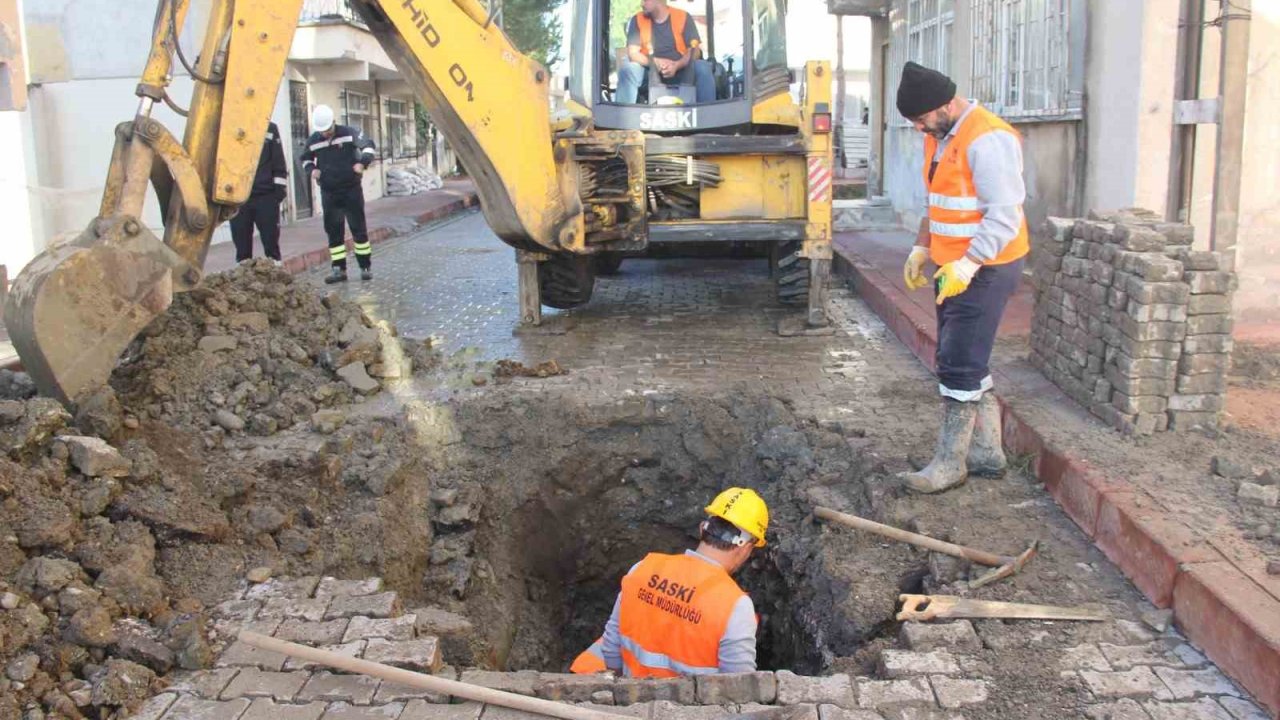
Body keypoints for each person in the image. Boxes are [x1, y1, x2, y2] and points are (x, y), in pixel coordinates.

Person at [896, 61, 1029, 494]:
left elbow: (1004, 215)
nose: (919, 129)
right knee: (969, 359)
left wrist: (969, 264)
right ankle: (988, 453)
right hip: (952, 268)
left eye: (921, 119)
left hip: (985, 268)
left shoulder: (988, 137)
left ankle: (950, 464)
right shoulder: (938, 136)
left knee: (956, 363)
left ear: (945, 104)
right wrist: (922, 246)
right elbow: (937, 202)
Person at [569, 487, 768, 677]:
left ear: (702, 529)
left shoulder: (643, 567)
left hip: (629, 696)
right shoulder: (735, 606)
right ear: (746, 549)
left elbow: (611, 644)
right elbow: (739, 687)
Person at [300, 105, 377, 284]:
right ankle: (338, 269)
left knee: (358, 228)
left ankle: (365, 267)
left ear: (333, 123)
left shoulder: (349, 133)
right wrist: (312, 169)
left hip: (351, 190)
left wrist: (363, 163)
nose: (326, 134)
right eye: (322, 131)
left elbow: (369, 146)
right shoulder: (314, 139)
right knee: (334, 231)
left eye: (328, 130)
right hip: (329, 192)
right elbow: (305, 158)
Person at [616, 0, 716, 105]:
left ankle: (707, 116)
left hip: (683, 71)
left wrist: (677, 65)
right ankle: (621, 118)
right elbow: (633, 54)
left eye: (645, 0)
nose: (641, 4)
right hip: (649, 72)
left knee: (703, 68)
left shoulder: (682, 17)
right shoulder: (637, 20)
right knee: (628, 70)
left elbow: (695, 51)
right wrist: (655, 63)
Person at [229, 121, 288, 264]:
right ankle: (243, 275)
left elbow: (278, 161)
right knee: (241, 243)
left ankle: (275, 271)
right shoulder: (229, 126)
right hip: (239, 198)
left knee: (271, 241)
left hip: (266, 196)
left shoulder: (270, 128)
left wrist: (277, 194)